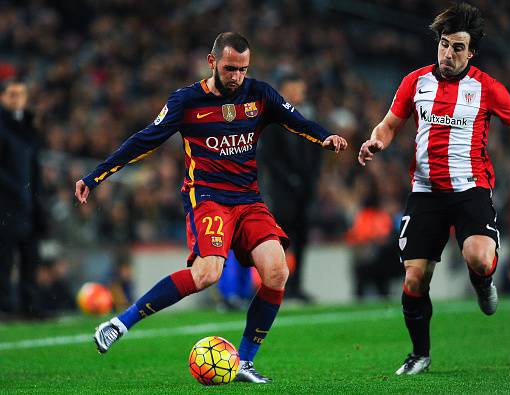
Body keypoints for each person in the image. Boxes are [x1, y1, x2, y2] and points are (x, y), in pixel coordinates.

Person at [74, 32, 347, 383]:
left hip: (248, 199)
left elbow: (296, 120)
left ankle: (245, 362)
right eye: (230, 68)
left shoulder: (259, 94)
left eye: (243, 69)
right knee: (207, 274)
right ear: (212, 62)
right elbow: (143, 141)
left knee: (278, 271)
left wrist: (324, 136)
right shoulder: (186, 101)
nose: (237, 76)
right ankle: (119, 322)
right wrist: (97, 175)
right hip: (208, 199)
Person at [357, 3, 510, 376]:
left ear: (471, 52)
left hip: (470, 189)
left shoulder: (487, 87)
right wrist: (376, 141)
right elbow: (388, 124)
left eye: (458, 47)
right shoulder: (415, 82)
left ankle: (483, 281)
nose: (448, 53)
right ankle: (419, 354)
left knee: (477, 257)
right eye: (444, 44)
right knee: (414, 279)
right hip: (425, 191)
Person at [258, 74, 321, 301]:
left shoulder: (309, 117)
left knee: (302, 238)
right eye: (296, 89)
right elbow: (269, 157)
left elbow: (317, 154)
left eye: (301, 89)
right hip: (282, 191)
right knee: (282, 239)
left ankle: (296, 285)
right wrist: (289, 179)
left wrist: (310, 180)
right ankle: (278, 285)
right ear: (284, 91)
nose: (300, 94)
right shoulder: (272, 120)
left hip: (305, 190)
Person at [0, 78, 46, 318]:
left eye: (21, 94)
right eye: (11, 94)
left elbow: (34, 169)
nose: (17, 99)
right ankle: (5, 307)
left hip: (28, 204)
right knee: (4, 258)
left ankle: (30, 306)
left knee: (30, 257)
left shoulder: (28, 129)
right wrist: (15, 191)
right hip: (6, 205)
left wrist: (37, 200)